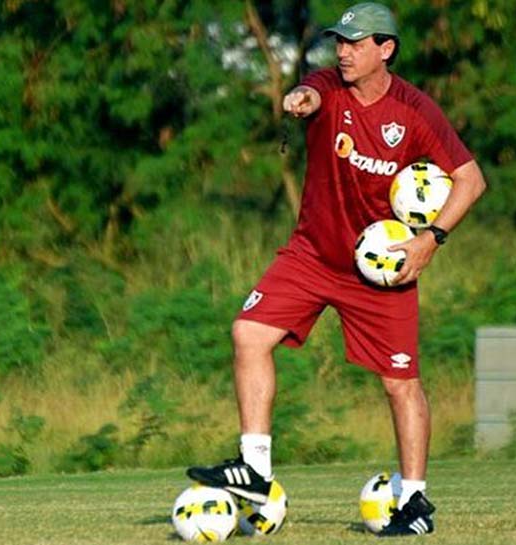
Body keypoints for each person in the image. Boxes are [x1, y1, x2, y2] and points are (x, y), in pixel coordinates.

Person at [186, 2, 487, 537]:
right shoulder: (328, 85)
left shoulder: (416, 112)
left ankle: (414, 501)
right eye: (339, 42)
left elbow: (470, 179)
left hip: (380, 269)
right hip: (312, 255)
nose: (343, 52)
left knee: (401, 384)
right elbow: (311, 91)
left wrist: (430, 240)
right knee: (247, 333)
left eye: (355, 42)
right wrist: (300, 99)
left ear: (385, 49)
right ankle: (254, 469)